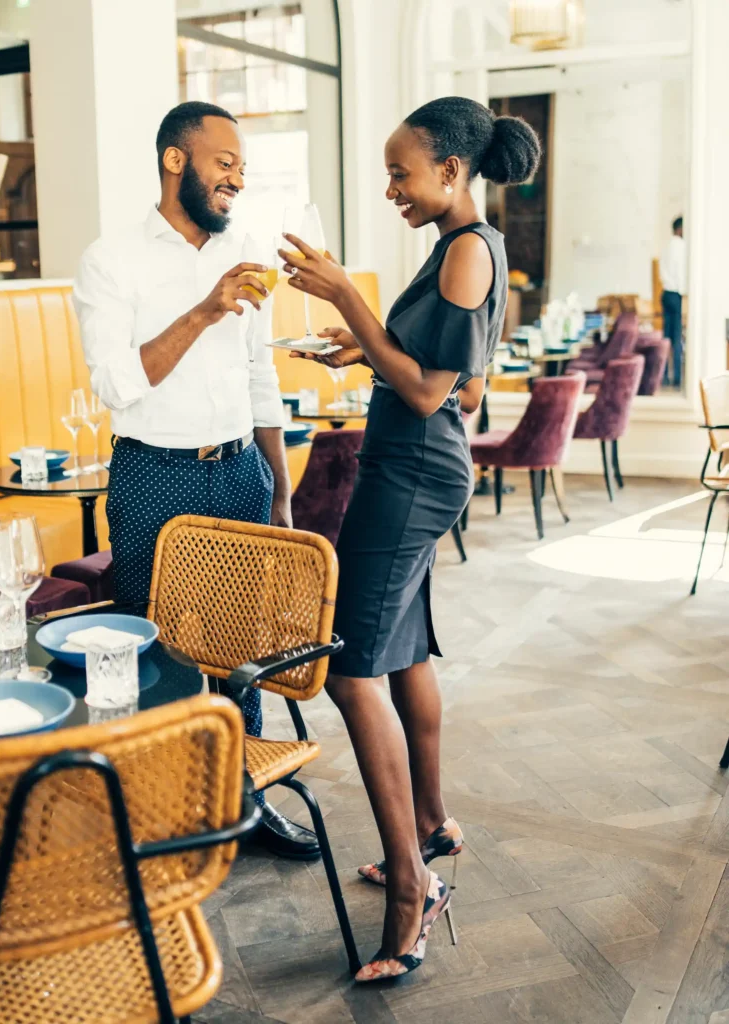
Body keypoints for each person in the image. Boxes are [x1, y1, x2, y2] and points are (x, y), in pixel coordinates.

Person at [283, 97, 540, 981]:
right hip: (420, 467)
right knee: (402, 655)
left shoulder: (466, 250)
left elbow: (432, 392)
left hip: (410, 472)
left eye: (401, 172)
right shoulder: (469, 246)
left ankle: (410, 884)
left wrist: (349, 297)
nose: (391, 187)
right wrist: (361, 349)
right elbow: (450, 377)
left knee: (349, 670)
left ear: (451, 170)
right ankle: (430, 824)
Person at [73, 101, 320, 861]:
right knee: (161, 650)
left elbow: (257, 378)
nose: (236, 180)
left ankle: (240, 804)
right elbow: (117, 384)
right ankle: (161, 809)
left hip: (240, 471)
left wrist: (278, 488)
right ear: (176, 161)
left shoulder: (242, 248)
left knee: (239, 648)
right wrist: (205, 309)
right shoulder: (110, 260)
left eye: (242, 167)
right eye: (225, 163)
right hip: (154, 476)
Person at [659, 216, 686, 387]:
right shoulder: (681, 247)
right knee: (677, 338)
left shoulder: (667, 246)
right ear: (680, 228)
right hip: (676, 294)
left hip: (665, 294)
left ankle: (662, 375)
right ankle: (677, 377)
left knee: (666, 338)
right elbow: (681, 272)